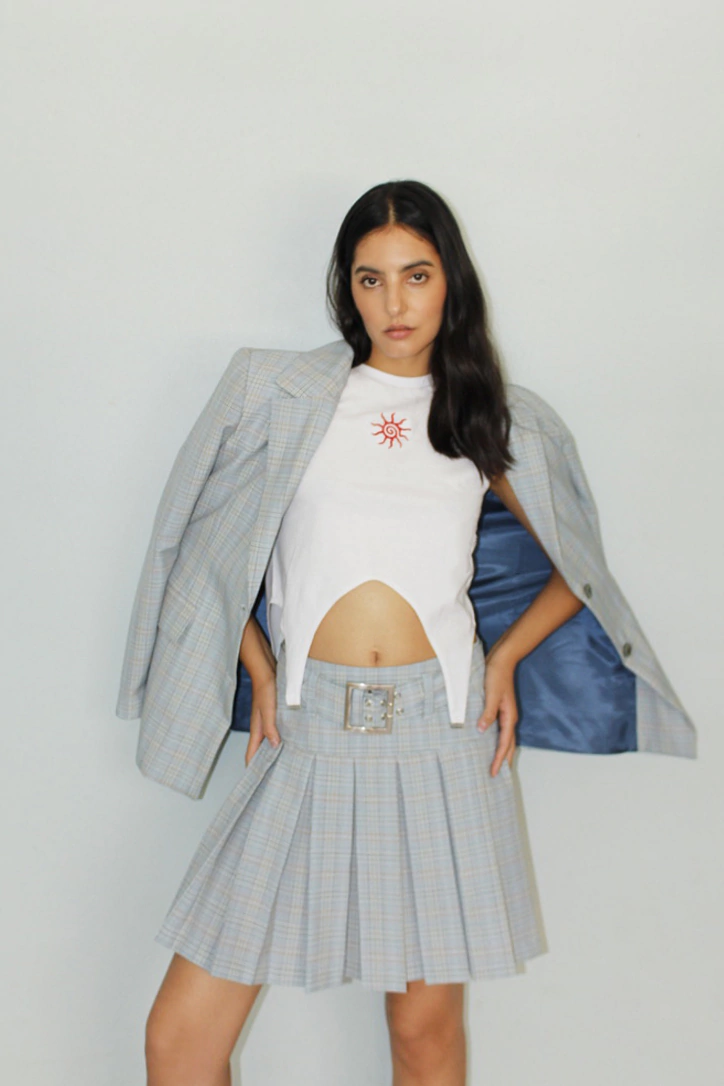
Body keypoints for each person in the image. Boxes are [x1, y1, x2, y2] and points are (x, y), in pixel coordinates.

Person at [129, 180, 663, 1085]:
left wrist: (506, 659)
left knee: (424, 1037)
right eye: (370, 279)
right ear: (346, 288)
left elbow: (580, 571)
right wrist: (259, 665)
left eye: (416, 275)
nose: (394, 302)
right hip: (307, 732)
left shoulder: (492, 415)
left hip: (440, 738)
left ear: (451, 280)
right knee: (180, 1041)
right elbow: (201, 551)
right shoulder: (276, 392)